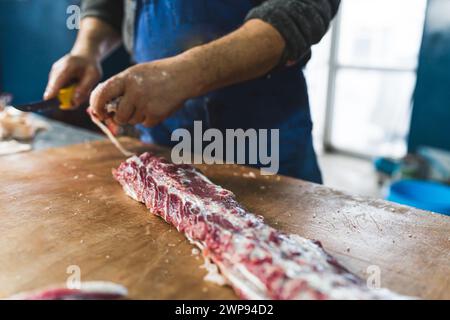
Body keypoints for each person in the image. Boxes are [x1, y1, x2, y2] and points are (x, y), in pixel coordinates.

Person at [44, 0, 340, 183]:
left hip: (264, 146)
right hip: (162, 145)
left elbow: (299, 10)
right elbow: (107, 5)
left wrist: (182, 76)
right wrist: (87, 50)